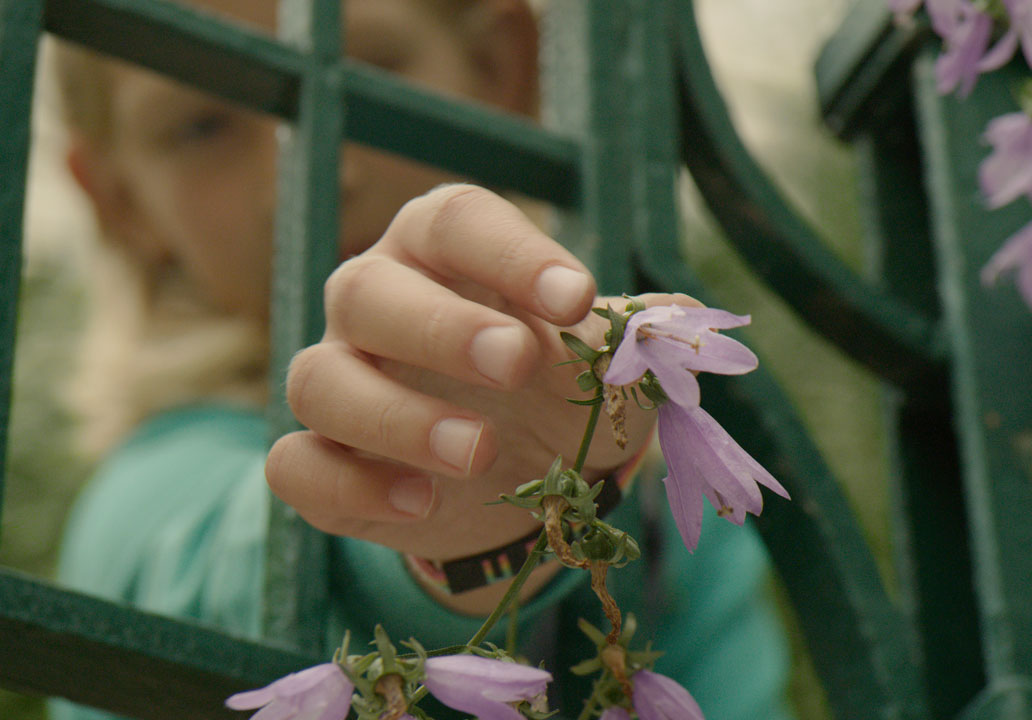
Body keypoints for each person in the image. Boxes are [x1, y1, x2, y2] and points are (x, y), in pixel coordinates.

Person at [48, 0, 794, 718]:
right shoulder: (143, 499)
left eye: (367, 66)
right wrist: (434, 529)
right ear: (119, 201)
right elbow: (206, 583)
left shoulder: (667, 504)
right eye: (203, 125)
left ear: (496, 66)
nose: (312, 172)